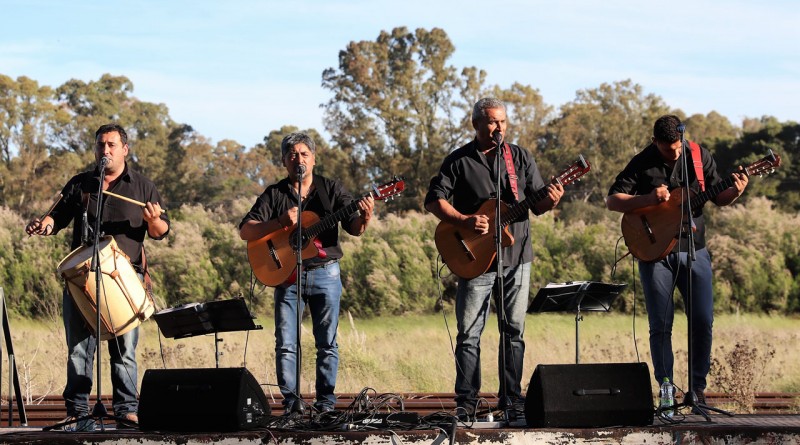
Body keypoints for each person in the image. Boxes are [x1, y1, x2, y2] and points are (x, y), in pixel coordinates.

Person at [425, 98, 563, 420]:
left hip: (517, 257)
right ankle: (467, 401)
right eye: (491, 121)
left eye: (502, 121)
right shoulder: (459, 160)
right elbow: (433, 200)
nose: (498, 127)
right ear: (476, 124)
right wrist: (464, 221)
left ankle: (511, 399)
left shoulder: (520, 157)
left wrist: (552, 200)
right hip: (474, 258)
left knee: (513, 330)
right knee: (469, 333)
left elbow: (538, 205)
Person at [25, 123, 170, 431]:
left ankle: (126, 410)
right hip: (82, 280)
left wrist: (154, 220)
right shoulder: (81, 184)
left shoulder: (142, 187)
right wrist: (44, 226)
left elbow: (161, 231)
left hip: (124, 280)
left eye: (111, 145)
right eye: (101, 145)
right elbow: (56, 218)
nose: (105, 150)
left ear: (124, 149)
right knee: (79, 350)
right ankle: (78, 412)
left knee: (124, 352)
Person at [606, 114, 748, 410]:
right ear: (654, 141)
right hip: (655, 254)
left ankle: (697, 390)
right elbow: (614, 200)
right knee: (661, 324)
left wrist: (735, 191)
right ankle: (666, 387)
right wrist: (647, 199)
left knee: (702, 321)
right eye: (667, 149)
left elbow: (718, 196)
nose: (674, 153)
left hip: (695, 250)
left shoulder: (699, 155)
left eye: (678, 147)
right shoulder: (642, 161)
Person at [239, 132, 374, 415]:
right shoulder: (275, 193)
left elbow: (354, 228)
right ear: (284, 161)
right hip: (287, 276)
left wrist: (365, 216)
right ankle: (292, 404)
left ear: (313, 159)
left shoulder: (331, 189)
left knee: (327, 343)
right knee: (286, 344)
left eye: (304, 154)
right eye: (292, 155)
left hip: (326, 273)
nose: (298, 159)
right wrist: (279, 222)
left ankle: (325, 404)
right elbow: (246, 230)